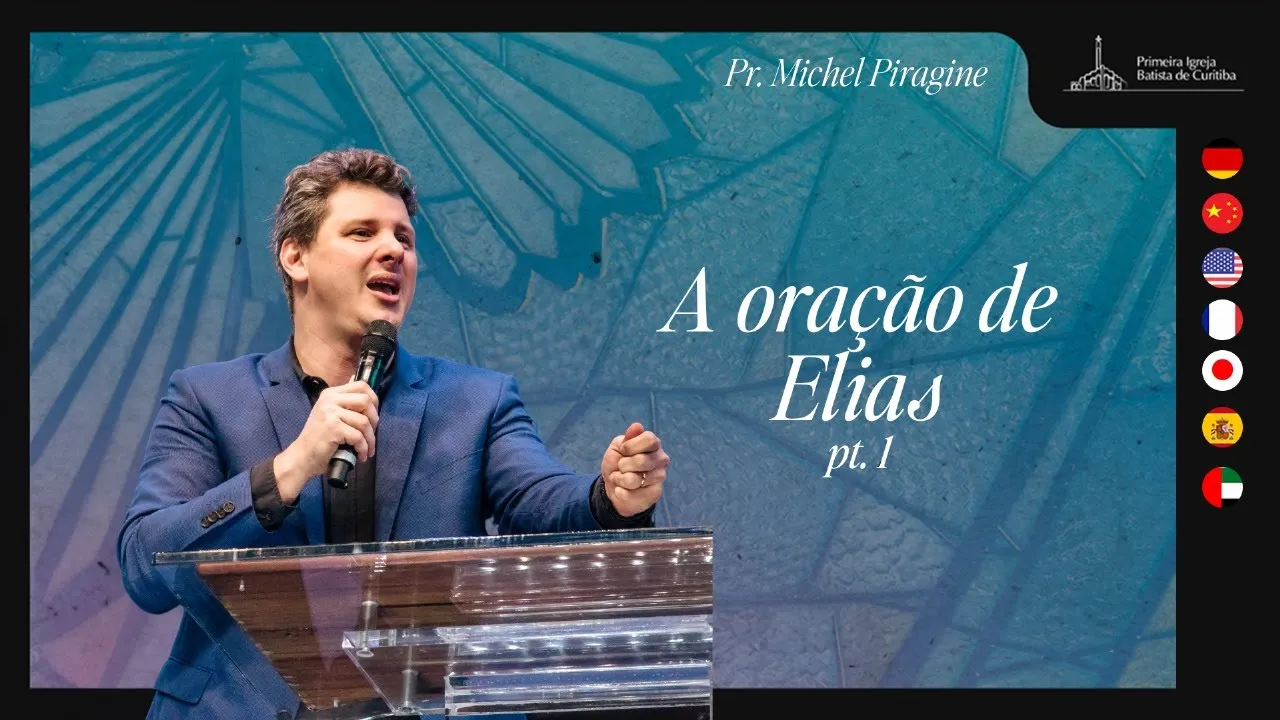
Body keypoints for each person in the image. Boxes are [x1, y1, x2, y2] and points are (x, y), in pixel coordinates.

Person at [116, 148, 670, 719]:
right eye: (362, 232)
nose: (393, 250)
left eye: (404, 238)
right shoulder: (207, 396)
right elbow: (144, 565)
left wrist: (609, 498)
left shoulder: (476, 400)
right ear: (296, 256)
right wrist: (289, 468)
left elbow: (539, 498)